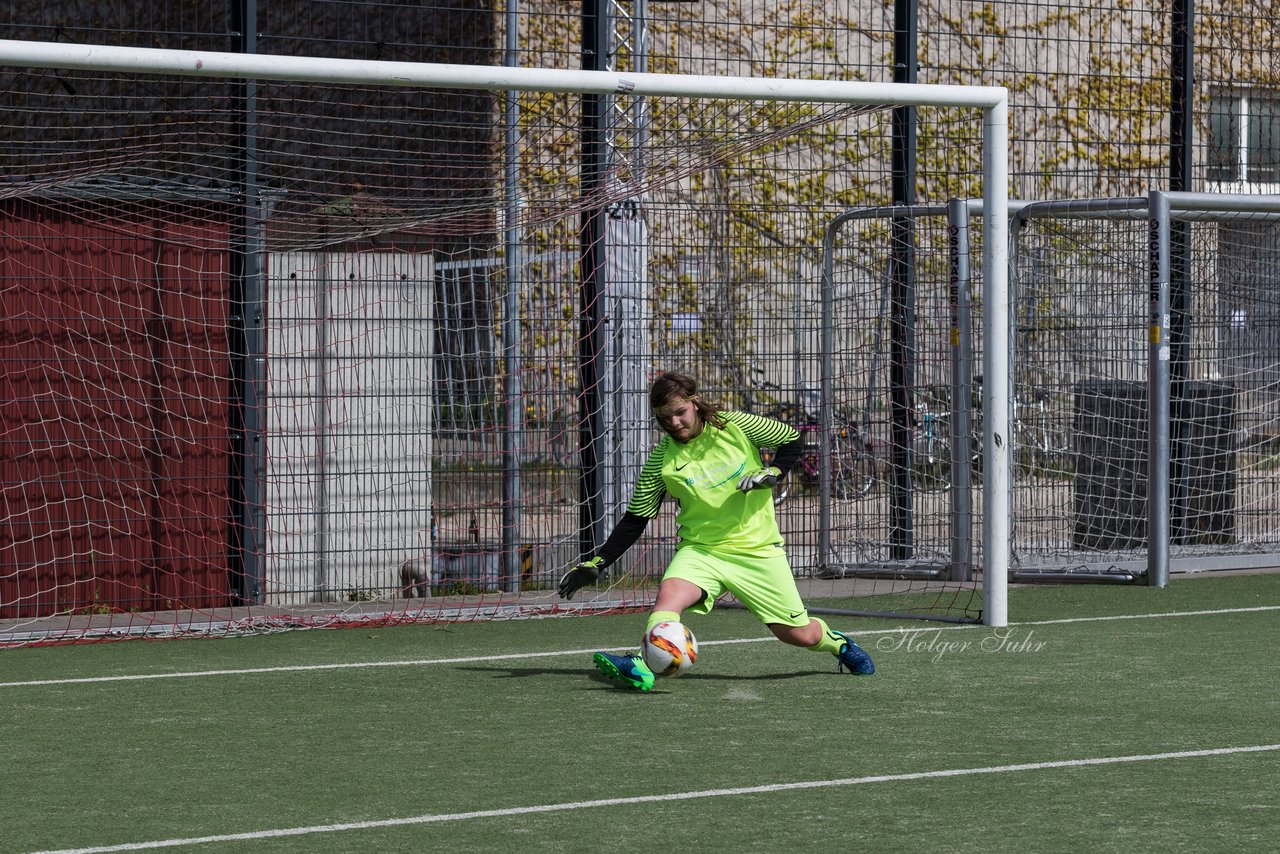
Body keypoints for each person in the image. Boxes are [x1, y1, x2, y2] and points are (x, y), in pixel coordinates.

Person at [558, 370, 875, 691]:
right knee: (667, 602)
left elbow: (793, 438)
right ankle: (642, 667)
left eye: (680, 413)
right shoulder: (661, 460)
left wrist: (774, 472)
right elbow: (636, 518)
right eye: (665, 418)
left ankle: (838, 644)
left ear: (695, 403)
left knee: (798, 635)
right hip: (701, 551)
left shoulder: (735, 425)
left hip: (757, 550)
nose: (675, 423)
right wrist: (598, 563)